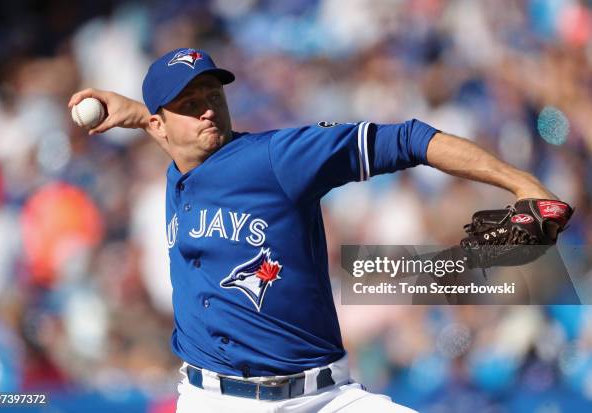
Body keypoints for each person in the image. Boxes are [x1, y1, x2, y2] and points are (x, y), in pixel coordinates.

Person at [69, 48, 561, 412]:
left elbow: (408, 138)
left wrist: (523, 183)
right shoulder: (179, 166)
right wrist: (136, 113)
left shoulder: (279, 158)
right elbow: (178, 142)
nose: (206, 108)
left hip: (325, 398)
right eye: (188, 101)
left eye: (212, 93)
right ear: (158, 126)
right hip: (212, 399)